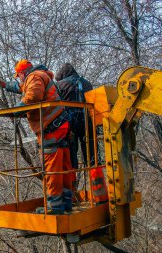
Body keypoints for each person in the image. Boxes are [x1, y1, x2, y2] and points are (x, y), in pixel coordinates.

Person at [0, 59, 74, 214]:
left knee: (51, 167)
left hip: (51, 127)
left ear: (23, 73)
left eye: (19, 76)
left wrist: (16, 110)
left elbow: (33, 96)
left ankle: (54, 207)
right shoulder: (38, 76)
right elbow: (22, 88)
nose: (19, 80)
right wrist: (6, 86)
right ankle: (66, 203)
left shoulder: (34, 77)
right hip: (60, 124)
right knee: (63, 166)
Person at [55, 63, 108, 205]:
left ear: (62, 75)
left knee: (71, 162)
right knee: (93, 160)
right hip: (88, 125)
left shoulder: (60, 86)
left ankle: (70, 198)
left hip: (70, 127)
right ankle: (100, 197)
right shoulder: (87, 84)